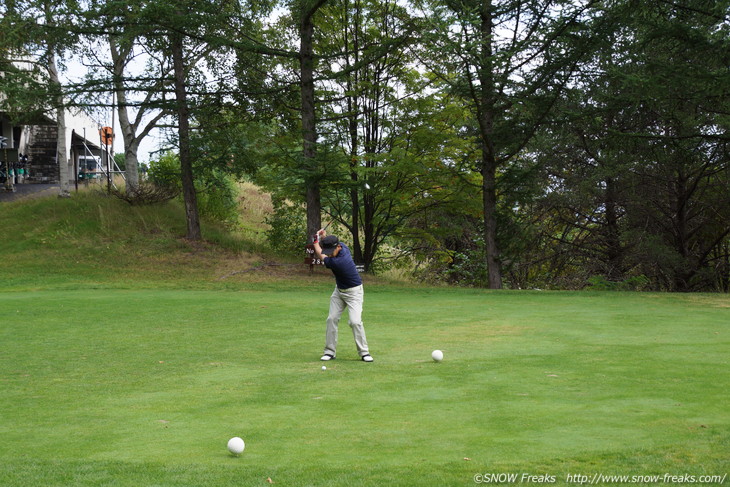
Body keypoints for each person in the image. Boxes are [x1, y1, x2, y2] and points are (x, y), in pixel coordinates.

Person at [313, 229, 373, 363]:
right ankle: (329, 352)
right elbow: (327, 245)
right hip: (339, 291)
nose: (329, 255)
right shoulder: (343, 246)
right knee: (331, 319)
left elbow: (318, 252)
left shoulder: (339, 262)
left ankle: (364, 352)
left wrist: (315, 240)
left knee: (355, 322)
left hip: (354, 293)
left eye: (330, 252)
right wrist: (324, 236)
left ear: (338, 247)